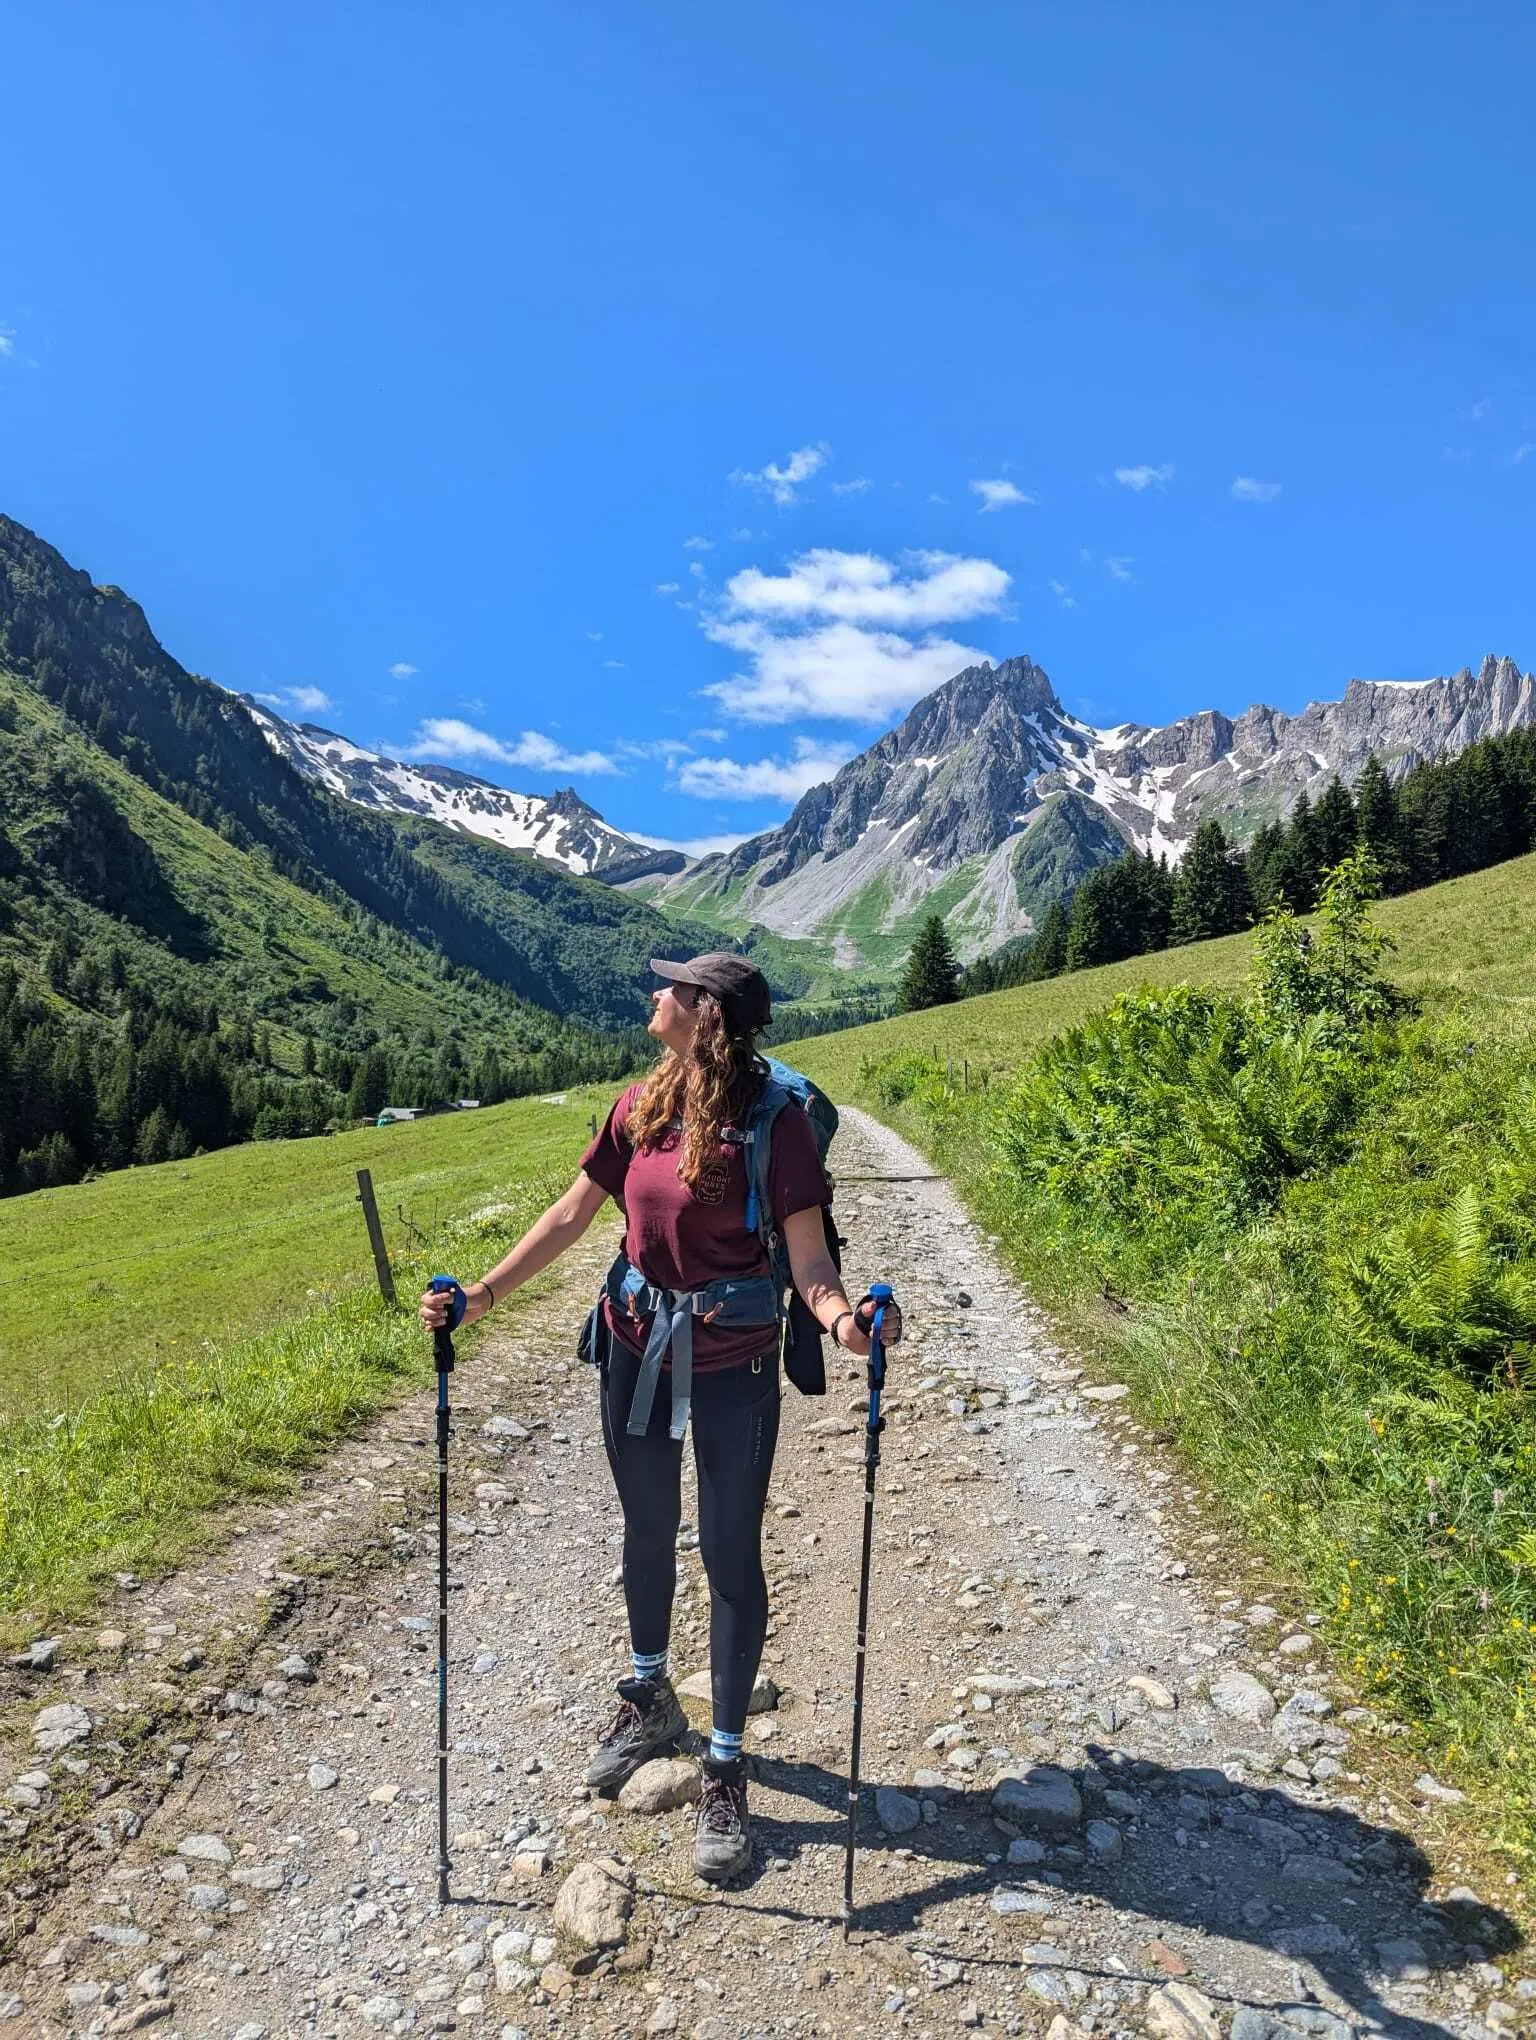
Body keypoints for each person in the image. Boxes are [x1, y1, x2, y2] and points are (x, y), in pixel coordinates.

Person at [419, 951, 899, 1883]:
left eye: (670, 988)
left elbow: (808, 1263)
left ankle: (724, 1761)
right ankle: (650, 1694)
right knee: (645, 1529)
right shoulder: (642, 1104)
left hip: (732, 1364)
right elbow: (571, 1214)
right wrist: (481, 1296)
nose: (653, 995)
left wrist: (845, 1324)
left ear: (705, 1013)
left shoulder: (777, 1125)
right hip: (633, 1345)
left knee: (727, 1552)